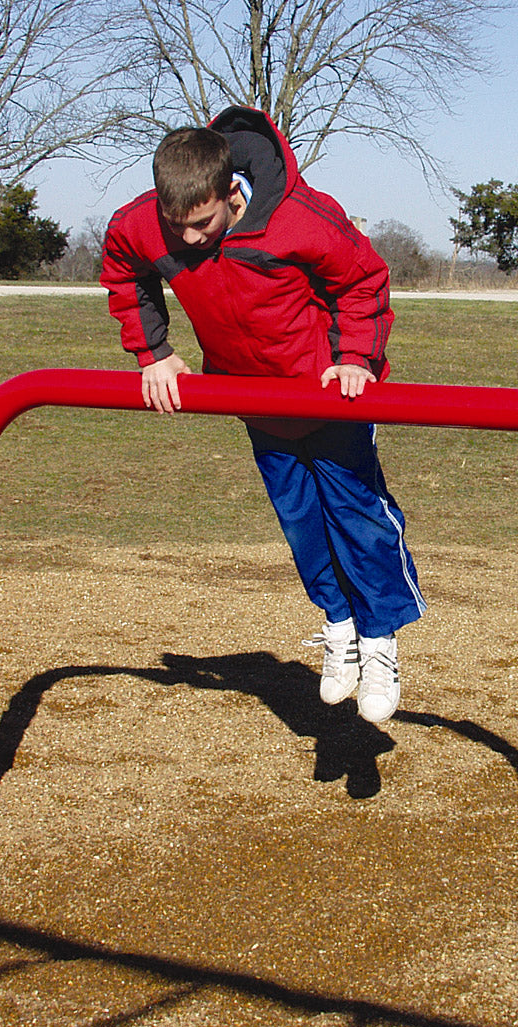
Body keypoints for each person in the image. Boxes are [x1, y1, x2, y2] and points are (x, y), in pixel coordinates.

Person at [100, 106, 425, 723]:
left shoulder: (299, 216)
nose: (190, 239)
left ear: (230, 193)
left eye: (202, 223)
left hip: (327, 393)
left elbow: (365, 280)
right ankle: (340, 627)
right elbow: (123, 269)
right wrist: (154, 353)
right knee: (300, 520)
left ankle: (381, 643)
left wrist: (355, 357)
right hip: (253, 399)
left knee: (358, 517)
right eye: (178, 226)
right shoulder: (148, 224)